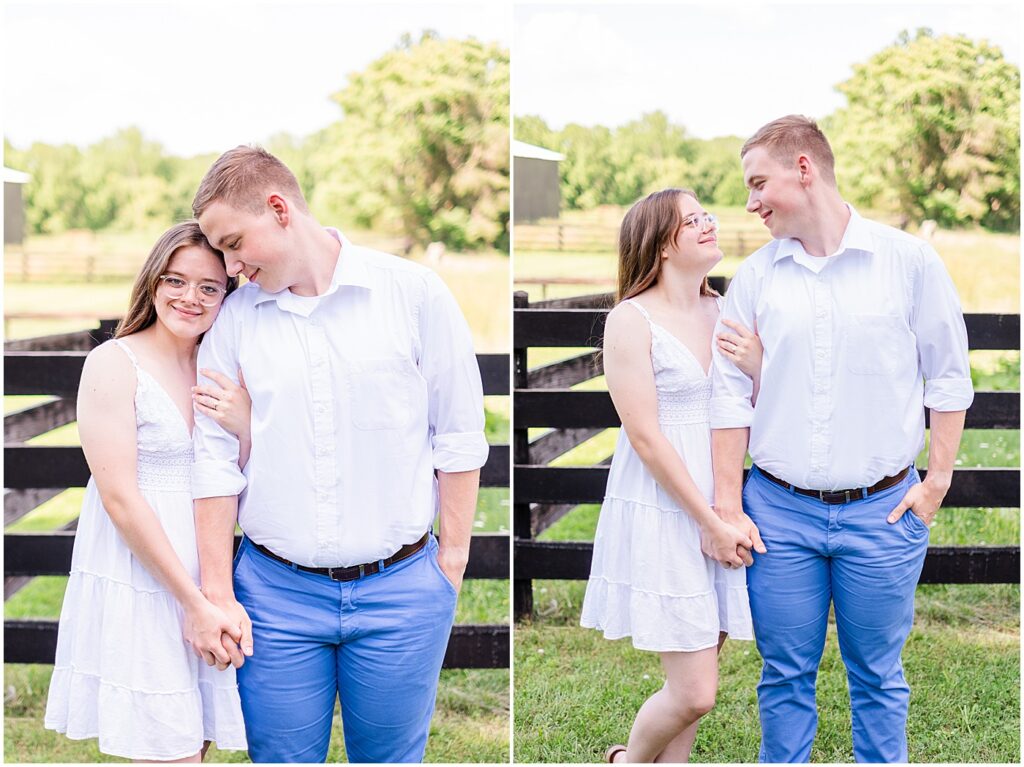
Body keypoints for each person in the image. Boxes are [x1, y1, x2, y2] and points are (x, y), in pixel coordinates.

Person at [185, 146, 488, 763]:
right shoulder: (236, 318)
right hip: (275, 596)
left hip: (403, 590)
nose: (231, 266)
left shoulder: (414, 293)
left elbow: (457, 435)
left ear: (279, 209)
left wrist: (449, 564)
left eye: (235, 243)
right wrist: (219, 590)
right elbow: (213, 460)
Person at [710, 115, 973, 763]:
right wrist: (728, 504)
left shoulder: (908, 261)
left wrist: (935, 482)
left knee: (878, 678)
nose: (750, 202)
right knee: (784, 676)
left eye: (758, 182)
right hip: (778, 512)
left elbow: (948, 376)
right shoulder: (758, 277)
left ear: (805, 168)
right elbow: (725, 394)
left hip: (883, 511)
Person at [44, 222, 250, 762]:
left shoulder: (221, 366)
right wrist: (192, 601)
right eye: (175, 280)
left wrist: (247, 423)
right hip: (145, 569)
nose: (190, 297)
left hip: (211, 562)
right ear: (153, 281)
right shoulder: (115, 362)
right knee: (166, 742)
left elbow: (246, 470)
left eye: (209, 287)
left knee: (196, 735)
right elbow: (119, 499)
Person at [579, 188, 765, 763]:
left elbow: (756, 408)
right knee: (695, 691)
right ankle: (628, 761)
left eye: (707, 214)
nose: (710, 223)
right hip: (669, 502)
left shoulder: (728, 310)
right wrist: (707, 519)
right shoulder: (630, 321)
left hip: (726, 494)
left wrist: (760, 370)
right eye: (692, 220)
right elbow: (645, 437)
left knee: (706, 652)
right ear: (661, 245)